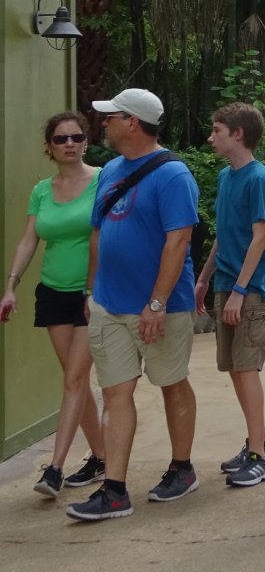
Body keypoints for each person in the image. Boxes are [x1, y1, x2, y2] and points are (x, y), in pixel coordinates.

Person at [67, 89, 200, 522]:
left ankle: (182, 467)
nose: (102, 123)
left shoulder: (174, 175)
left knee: (171, 383)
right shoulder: (109, 172)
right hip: (109, 305)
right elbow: (98, 234)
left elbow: (178, 241)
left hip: (161, 308)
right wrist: (91, 292)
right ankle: (115, 490)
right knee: (115, 392)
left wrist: (157, 304)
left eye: (111, 117)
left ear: (133, 122)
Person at [2, 111, 106, 499]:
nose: (69, 144)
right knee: (75, 382)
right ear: (48, 146)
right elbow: (29, 240)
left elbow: (108, 232)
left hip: (92, 294)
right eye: (60, 139)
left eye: (76, 137)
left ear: (86, 141)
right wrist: (11, 286)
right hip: (53, 293)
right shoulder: (41, 190)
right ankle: (101, 456)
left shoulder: (101, 179)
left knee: (74, 380)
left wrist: (99, 290)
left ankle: (55, 469)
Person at [194, 102, 265, 488]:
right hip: (224, 285)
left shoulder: (258, 179)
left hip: (246, 290)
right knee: (233, 367)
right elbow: (224, 235)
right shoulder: (227, 177)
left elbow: (260, 238)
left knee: (246, 369)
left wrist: (240, 291)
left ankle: (261, 459)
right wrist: (203, 278)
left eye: (217, 130)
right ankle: (259, 441)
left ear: (238, 134)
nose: (211, 138)